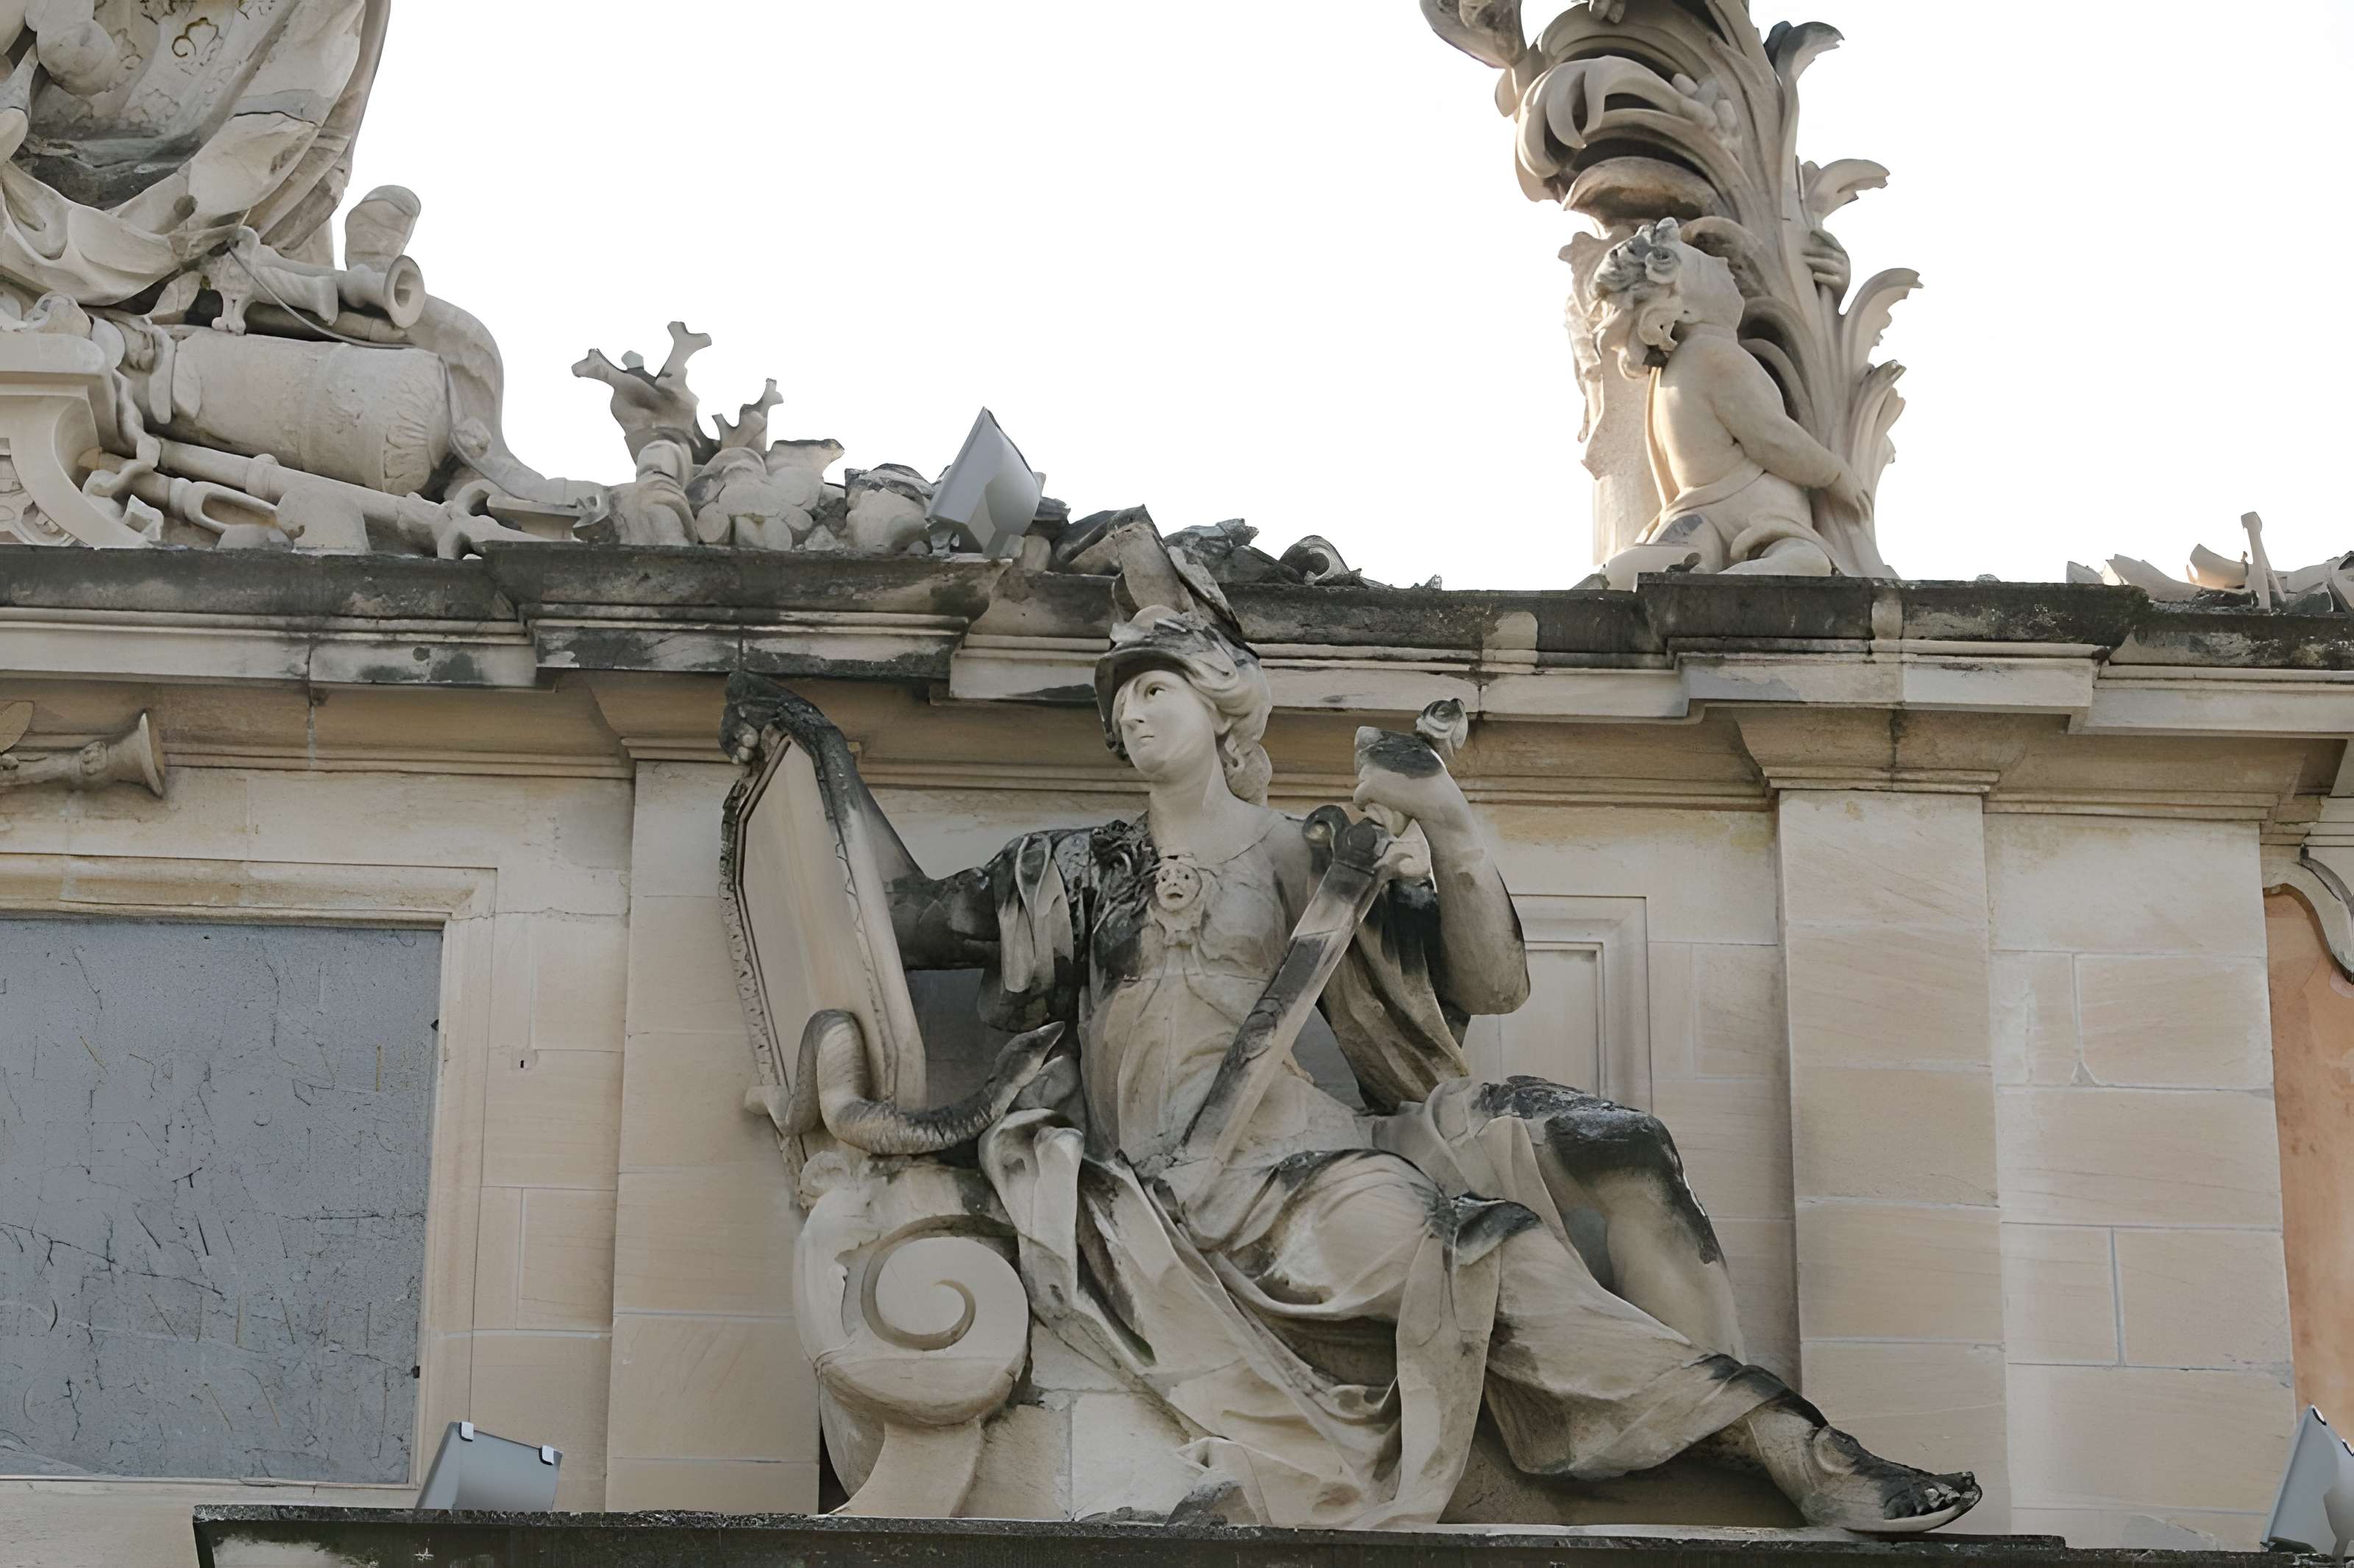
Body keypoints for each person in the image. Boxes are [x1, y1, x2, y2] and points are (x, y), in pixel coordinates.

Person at [853, 602, 1979, 1531]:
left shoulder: (1310, 859)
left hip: (1294, 1164)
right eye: (1122, 697)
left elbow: (1487, 984)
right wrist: (819, 766)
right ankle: (1759, 1454)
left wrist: (1449, 825)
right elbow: (899, 919)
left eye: (1160, 687)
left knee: (1490, 1251)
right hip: (1154, 1185)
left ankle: (1788, 1448)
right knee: (1481, 1254)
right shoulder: (1074, 869)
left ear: (1224, 706)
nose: (1133, 712)